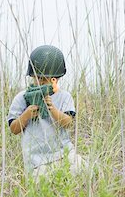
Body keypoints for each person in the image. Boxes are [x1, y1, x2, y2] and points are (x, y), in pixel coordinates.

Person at [7, 45, 87, 178]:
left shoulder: (64, 96)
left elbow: (68, 123)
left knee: (86, 171)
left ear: (55, 79)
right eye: (36, 78)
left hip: (64, 154)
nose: (39, 82)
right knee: (43, 184)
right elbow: (13, 129)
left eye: (44, 79)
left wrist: (52, 109)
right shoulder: (22, 97)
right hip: (36, 161)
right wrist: (26, 115)